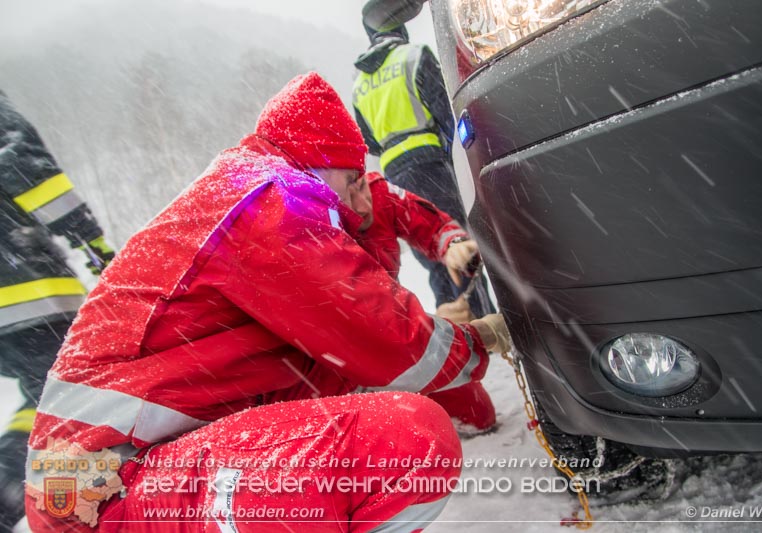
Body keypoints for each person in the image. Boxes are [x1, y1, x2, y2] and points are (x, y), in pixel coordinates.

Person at [24, 72, 511, 532]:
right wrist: (483, 335)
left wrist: (447, 260)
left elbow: (353, 355)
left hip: (106, 475)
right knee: (405, 444)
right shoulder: (268, 202)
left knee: (393, 399)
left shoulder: (250, 197)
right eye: (353, 181)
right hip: (96, 492)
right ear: (317, 167)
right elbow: (394, 343)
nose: (362, 202)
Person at [0, 91, 114, 531]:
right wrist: (91, 241)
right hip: (25, 287)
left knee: (42, 396)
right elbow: (27, 170)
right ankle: (85, 516)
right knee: (79, 394)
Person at [352, 22, 495, 320]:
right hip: (430, 163)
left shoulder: (360, 82)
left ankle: (454, 328)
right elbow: (445, 111)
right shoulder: (413, 54)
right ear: (399, 30)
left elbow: (368, 141)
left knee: (431, 253)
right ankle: (485, 323)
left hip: (393, 172)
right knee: (456, 245)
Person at [349, 171, 497, 434]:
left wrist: (454, 244)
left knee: (476, 413)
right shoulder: (307, 224)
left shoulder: (380, 192)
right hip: (342, 359)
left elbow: (430, 224)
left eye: (360, 186)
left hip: (395, 329)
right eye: (347, 195)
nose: (363, 205)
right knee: (390, 441)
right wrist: (425, 328)